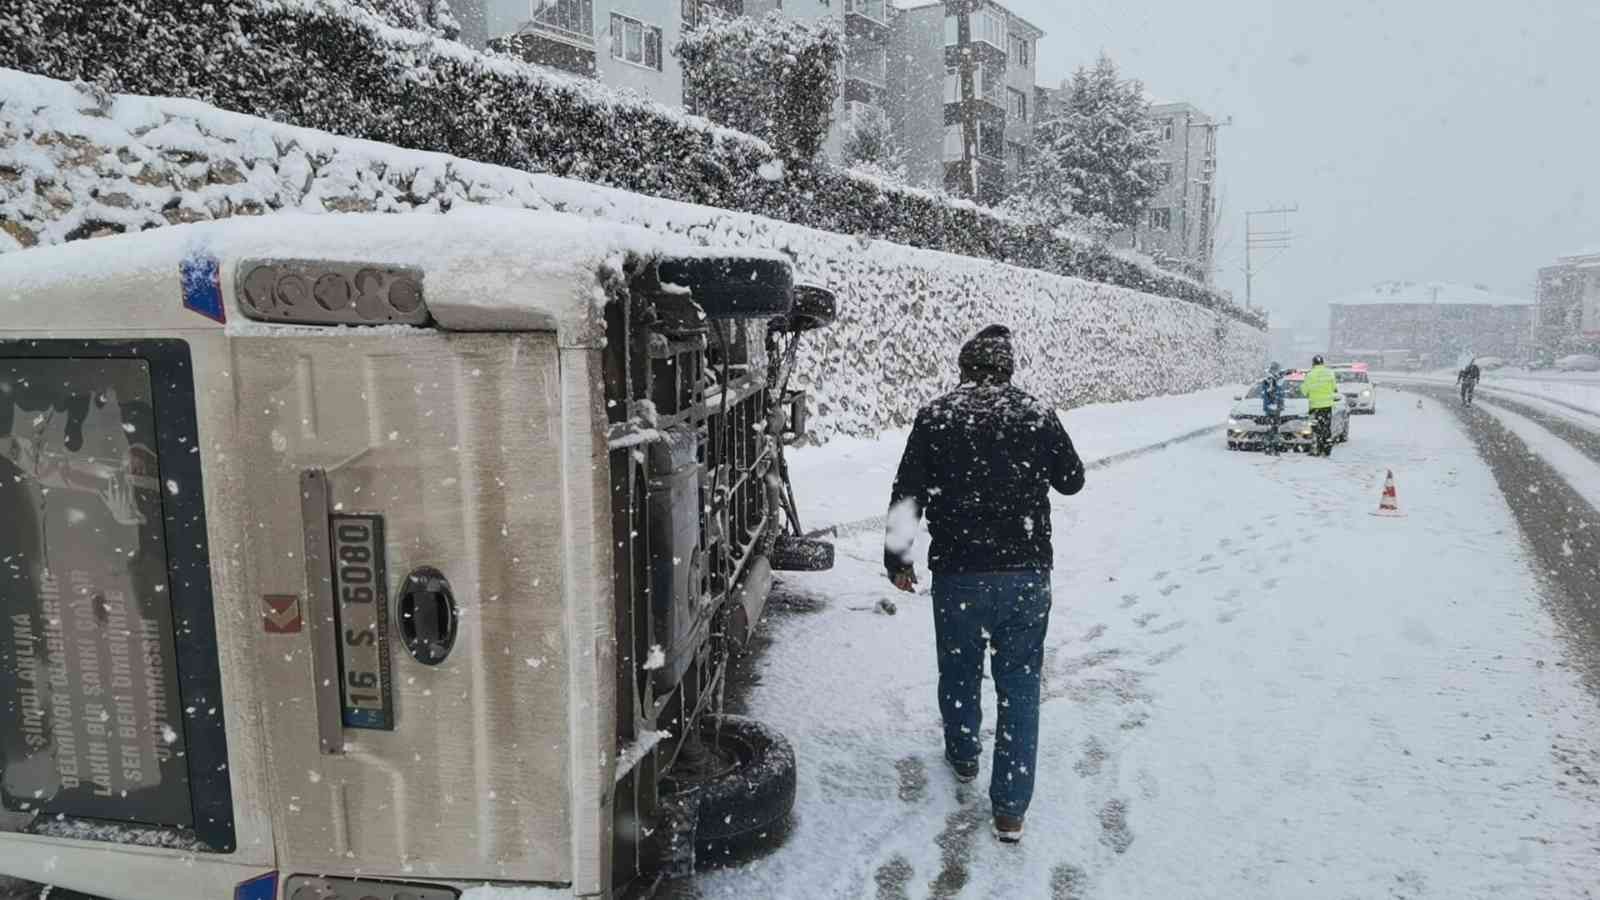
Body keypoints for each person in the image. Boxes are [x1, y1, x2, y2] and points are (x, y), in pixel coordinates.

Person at [883, 324, 1086, 846]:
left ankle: (965, 755)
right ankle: (1011, 811)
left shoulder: (937, 416)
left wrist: (897, 558)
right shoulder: (1035, 413)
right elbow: (1072, 479)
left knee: (959, 669)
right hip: (1025, 574)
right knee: (1020, 687)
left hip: (959, 574)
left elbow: (907, 493)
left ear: (965, 368)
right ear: (1008, 369)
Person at [1301, 355, 1339, 457]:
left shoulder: (1310, 375)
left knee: (1315, 428)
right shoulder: (1330, 373)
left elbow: (1304, 391)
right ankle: (1326, 449)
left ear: (1313, 363)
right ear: (1322, 363)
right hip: (1327, 406)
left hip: (1314, 407)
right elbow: (1335, 388)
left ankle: (1316, 449)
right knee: (1326, 428)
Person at [1259, 362, 1287, 455]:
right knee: (1273, 429)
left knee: (1273, 428)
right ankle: (1271, 447)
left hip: (1274, 407)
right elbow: (1271, 392)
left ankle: (1272, 447)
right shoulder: (1270, 380)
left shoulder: (1274, 379)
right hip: (1272, 407)